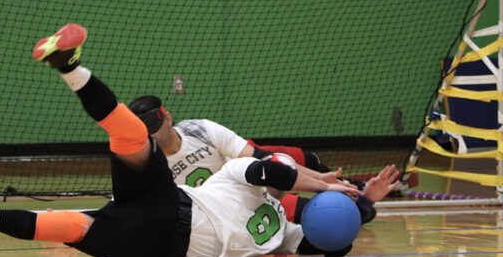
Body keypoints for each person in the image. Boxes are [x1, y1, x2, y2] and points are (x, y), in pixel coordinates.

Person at [0, 23, 399, 257]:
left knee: (69, 228)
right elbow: (271, 171)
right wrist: (327, 187)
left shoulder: (287, 233)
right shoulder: (240, 173)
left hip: (160, 252)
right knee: (133, 135)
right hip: (169, 203)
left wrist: (362, 208)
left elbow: (331, 247)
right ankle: (70, 66)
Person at [127, 95, 358, 224]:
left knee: (289, 158)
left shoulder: (201, 129)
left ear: (168, 118)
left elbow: (263, 158)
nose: (152, 135)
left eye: (154, 127)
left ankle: (339, 182)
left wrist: (319, 178)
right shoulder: (144, 162)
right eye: (145, 132)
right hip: (218, 215)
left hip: (247, 188)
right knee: (332, 219)